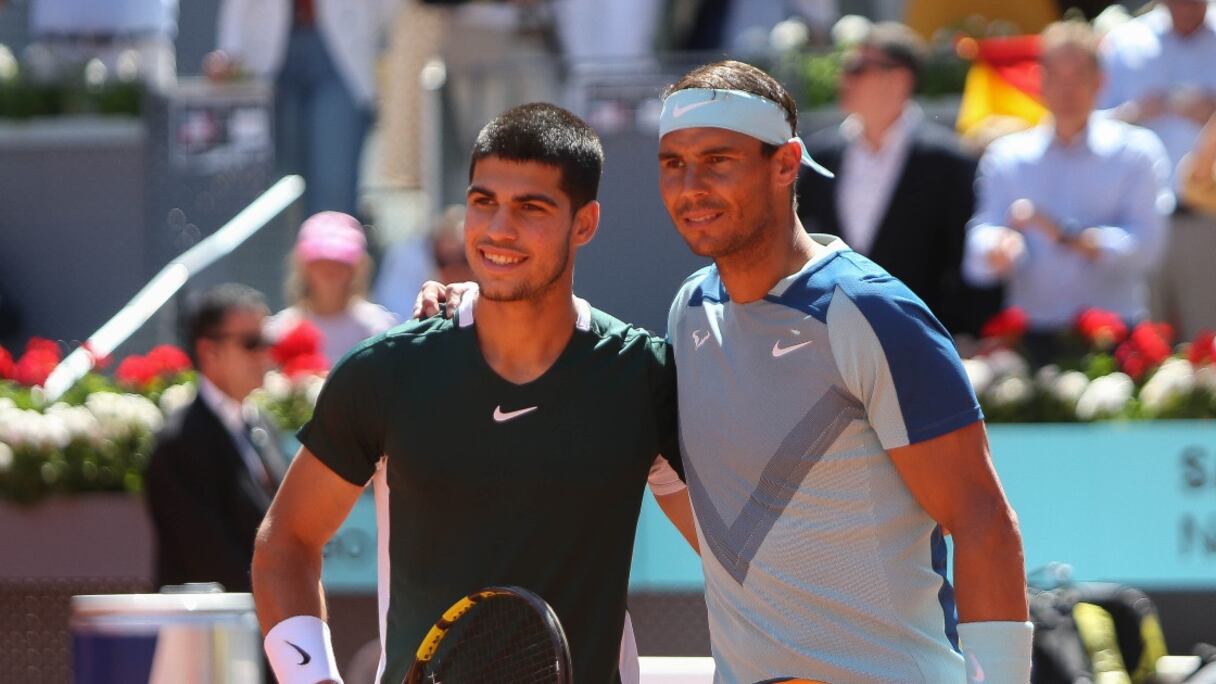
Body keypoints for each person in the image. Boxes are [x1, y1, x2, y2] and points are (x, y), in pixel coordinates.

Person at [419, 60, 1031, 683]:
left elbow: (982, 520)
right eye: (673, 163)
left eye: (718, 160)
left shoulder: (870, 310)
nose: (691, 187)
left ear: (786, 164)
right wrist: (482, 307)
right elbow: (733, 532)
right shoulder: (690, 309)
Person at [252, 103, 697, 684]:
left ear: (584, 224)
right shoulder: (386, 372)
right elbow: (286, 541)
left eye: (530, 208)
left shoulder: (642, 376)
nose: (497, 230)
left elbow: (736, 554)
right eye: (483, 202)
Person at [965, 20, 1173, 364]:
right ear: (1040, 82)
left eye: (1078, 76)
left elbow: (1147, 249)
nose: (1067, 90)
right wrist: (998, 247)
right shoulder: (1007, 156)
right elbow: (980, 245)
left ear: (1100, 82)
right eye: (1056, 77)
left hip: (1118, 338)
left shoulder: (1137, 152)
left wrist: (1064, 234)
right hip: (1029, 339)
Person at [797, 21, 997, 337]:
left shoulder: (948, 161)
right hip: (829, 342)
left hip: (923, 341)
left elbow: (967, 259)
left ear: (899, 79)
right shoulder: (817, 156)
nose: (843, 76)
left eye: (858, 67)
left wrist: (970, 335)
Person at [145, 284, 285, 592]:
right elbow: (208, 557)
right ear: (209, 351)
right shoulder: (178, 442)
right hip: (206, 631)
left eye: (266, 341)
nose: (265, 355)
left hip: (266, 621)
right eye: (251, 343)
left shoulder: (264, 424)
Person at [210, 0, 400, 217]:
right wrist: (230, 50)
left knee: (333, 189)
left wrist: (368, 31)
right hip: (271, 57)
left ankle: (328, 250)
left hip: (340, 54)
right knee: (279, 190)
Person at [1100, 0, 1216, 340]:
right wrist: (1135, 111)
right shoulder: (1125, 41)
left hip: (1207, 220)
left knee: (1208, 351)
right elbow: (1087, 123)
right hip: (1136, 223)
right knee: (1137, 352)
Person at [267, 211, 398, 365]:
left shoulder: (377, 327)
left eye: (341, 262)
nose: (330, 270)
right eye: (320, 261)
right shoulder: (281, 329)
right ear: (304, 267)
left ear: (356, 268)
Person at [372, 205, 472, 321]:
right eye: (444, 261)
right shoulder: (407, 259)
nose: (454, 268)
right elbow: (396, 315)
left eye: (463, 259)